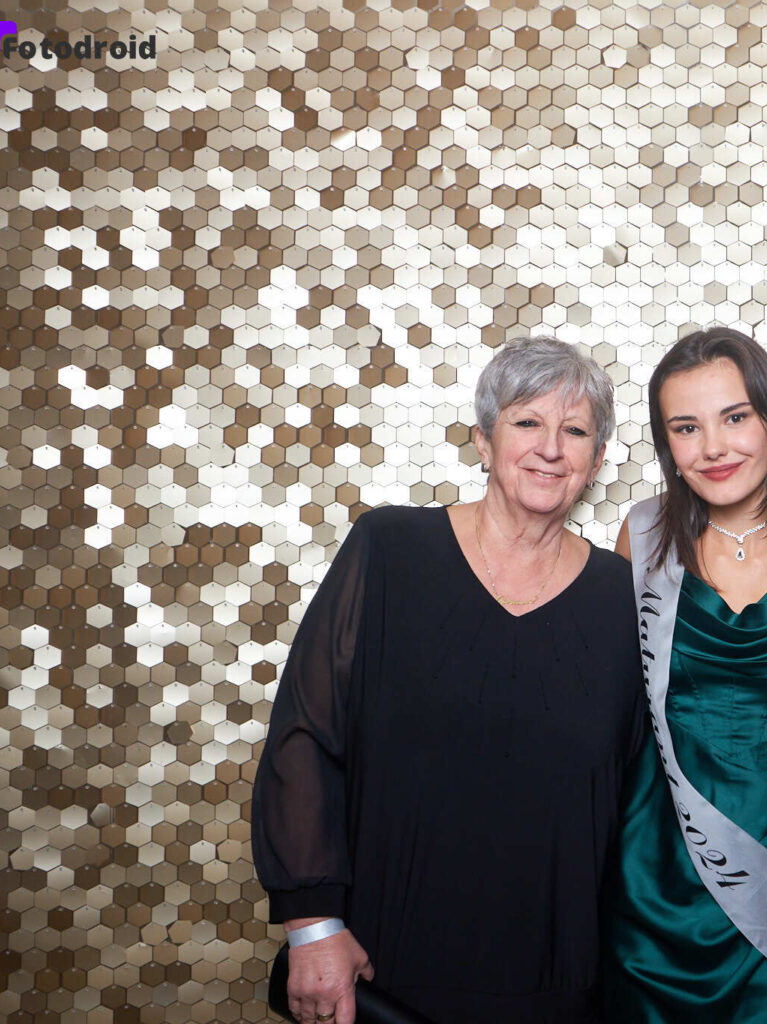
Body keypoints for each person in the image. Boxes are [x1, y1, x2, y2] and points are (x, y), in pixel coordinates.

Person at [252, 336, 645, 1024]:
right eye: (527, 422)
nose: (551, 448)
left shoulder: (625, 597)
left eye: (576, 431)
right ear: (483, 441)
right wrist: (312, 927)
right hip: (380, 967)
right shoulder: (390, 550)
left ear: (598, 459)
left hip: (561, 984)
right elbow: (305, 735)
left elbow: (655, 786)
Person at [603, 327, 767, 1023]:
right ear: (666, 445)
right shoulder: (644, 537)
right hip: (652, 881)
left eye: (735, 417)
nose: (713, 447)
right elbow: (610, 713)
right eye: (687, 427)